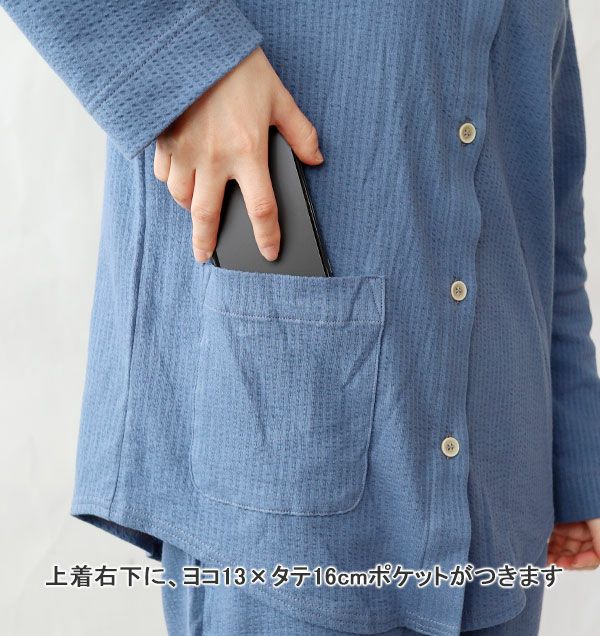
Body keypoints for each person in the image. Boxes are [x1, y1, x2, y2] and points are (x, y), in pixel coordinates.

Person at [2, 1, 599, 635]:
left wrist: (575, 451)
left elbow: (544, 198)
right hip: (282, 471)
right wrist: (191, 69)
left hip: (500, 495)